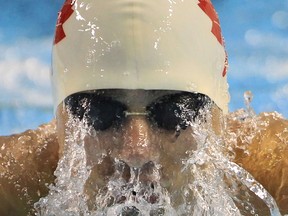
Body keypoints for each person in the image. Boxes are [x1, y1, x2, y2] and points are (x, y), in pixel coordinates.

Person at [0, 0, 287, 215]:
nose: (136, 151)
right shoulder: (14, 182)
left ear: (217, 116)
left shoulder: (272, 172)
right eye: (99, 113)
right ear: (63, 118)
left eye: (175, 112)